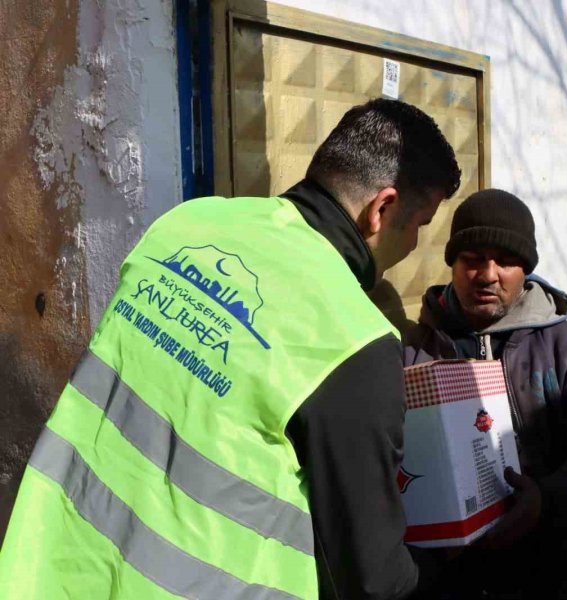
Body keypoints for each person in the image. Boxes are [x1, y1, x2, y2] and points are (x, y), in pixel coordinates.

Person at [0, 99, 461, 600]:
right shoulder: (355, 338)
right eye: (421, 225)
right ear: (382, 208)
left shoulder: (190, 223)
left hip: (47, 562)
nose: (414, 246)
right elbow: (373, 579)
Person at [403, 189, 567, 600]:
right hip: (438, 579)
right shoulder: (413, 349)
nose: (488, 275)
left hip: (540, 572)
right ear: (452, 264)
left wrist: (544, 502)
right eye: (472, 259)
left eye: (505, 261)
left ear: (526, 269)